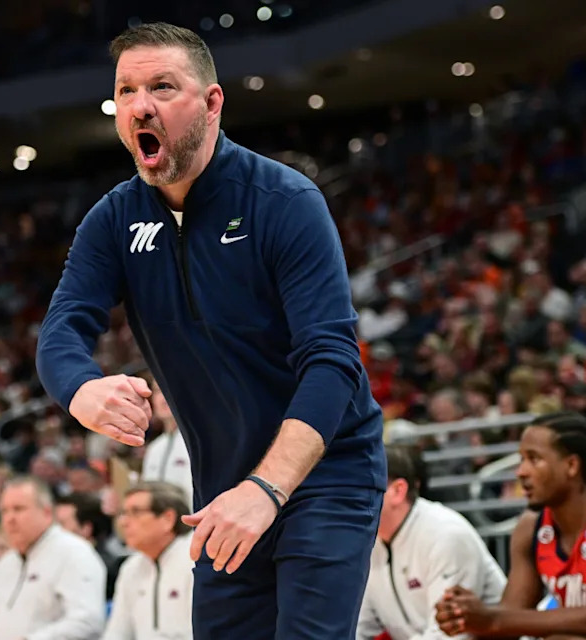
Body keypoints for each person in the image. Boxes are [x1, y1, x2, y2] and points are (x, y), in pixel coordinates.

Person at [35, 21, 385, 638]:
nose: (140, 105)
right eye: (127, 91)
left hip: (325, 473)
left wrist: (268, 488)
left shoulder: (284, 201)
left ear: (212, 102)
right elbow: (62, 329)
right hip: (221, 486)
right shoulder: (113, 220)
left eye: (163, 87)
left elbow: (333, 361)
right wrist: (81, 389)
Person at [434, 412, 586, 638]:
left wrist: (494, 620)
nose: (521, 472)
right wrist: (466, 615)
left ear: (571, 465)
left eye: (534, 459)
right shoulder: (531, 528)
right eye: (521, 459)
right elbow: (513, 615)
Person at [357, 446, 506, 639]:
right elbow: (358, 627)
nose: (346, 499)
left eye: (359, 487)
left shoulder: (446, 533)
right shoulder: (369, 543)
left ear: (397, 491)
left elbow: (449, 636)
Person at [0, 476, 106, 640]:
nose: (10, 519)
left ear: (47, 513)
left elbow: (87, 622)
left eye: (18, 509)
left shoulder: (74, 553)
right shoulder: (5, 564)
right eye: (4, 511)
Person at [103, 481, 194, 640]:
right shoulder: (131, 567)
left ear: (168, 519)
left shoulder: (196, 561)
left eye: (135, 512)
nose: (123, 522)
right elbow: (116, 633)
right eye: (123, 513)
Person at [141, 381, 193, 510]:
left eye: (169, 388)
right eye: (158, 390)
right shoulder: (154, 448)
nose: (163, 396)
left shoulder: (200, 443)